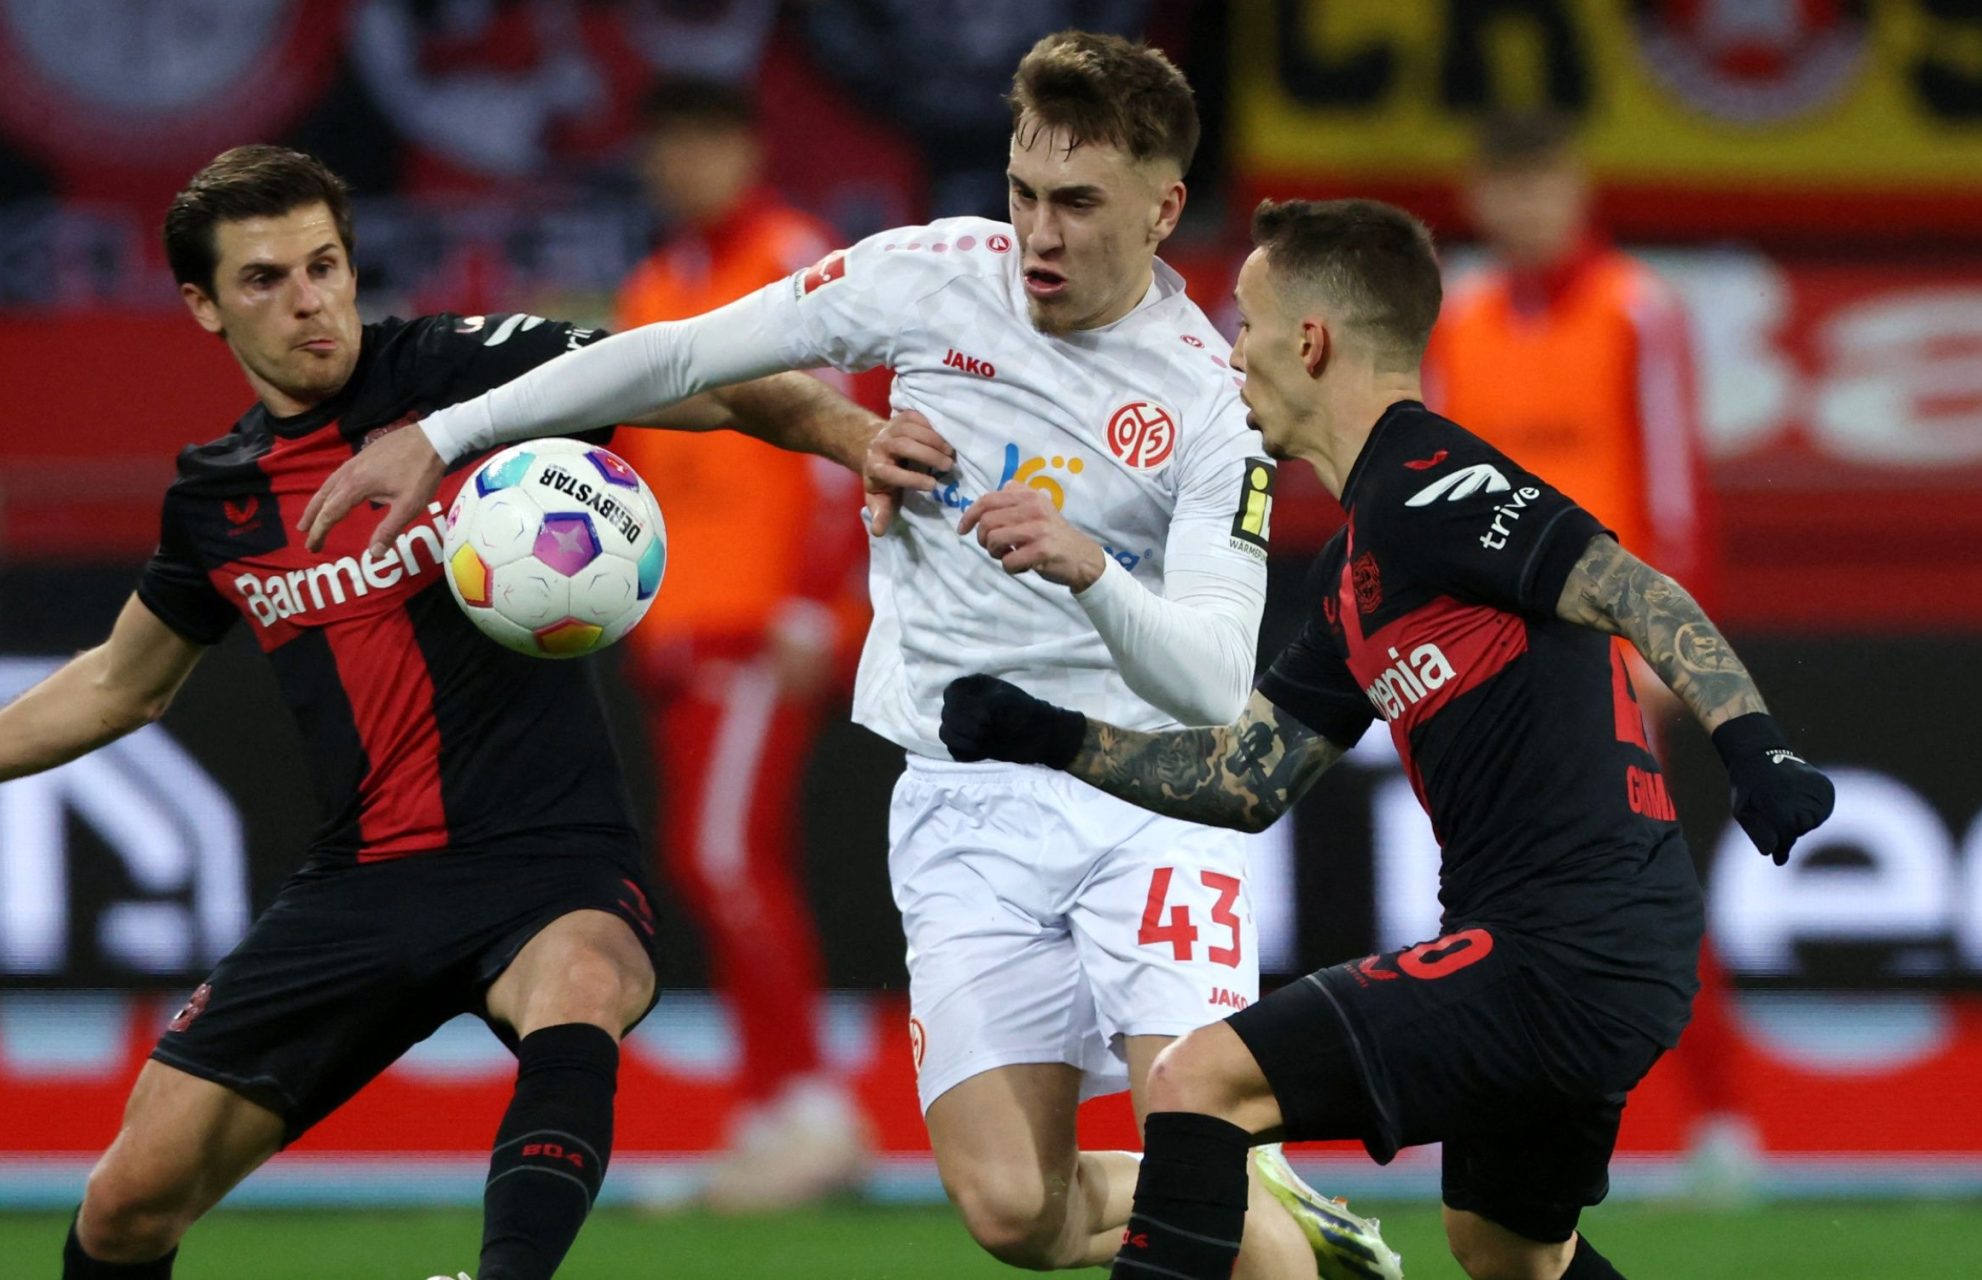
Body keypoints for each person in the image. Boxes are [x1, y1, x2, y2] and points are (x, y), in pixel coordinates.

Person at [304, 32, 1391, 1280]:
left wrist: (1088, 565)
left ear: (1162, 207)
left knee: (1191, 1145)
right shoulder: (930, 274)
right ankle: (1263, 1196)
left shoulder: (1210, 399)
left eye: (1079, 204)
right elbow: (678, 352)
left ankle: (1234, 1190)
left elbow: (1207, 677)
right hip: (960, 800)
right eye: (1023, 191)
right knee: (1015, 1212)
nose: (1038, 233)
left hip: (1143, 802)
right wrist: (446, 432)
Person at [0, 145, 878, 1280]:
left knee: (583, 986)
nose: (308, 300)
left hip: (548, 853)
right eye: (265, 279)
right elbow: (124, 681)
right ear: (205, 305)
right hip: (362, 882)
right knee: (125, 1205)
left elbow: (711, 376)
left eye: (324, 266)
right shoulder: (218, 495)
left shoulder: (474, 374)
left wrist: (862, 441)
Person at [936, 198, 1835, 1280]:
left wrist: (1756, 746)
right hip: (1595, 950)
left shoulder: (1434, 482)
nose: (1234, 353)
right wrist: (1051, 734)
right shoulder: (1359, 563)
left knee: (1197, 1081)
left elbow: (1636, 589)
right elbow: (1245, 778)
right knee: (1505, 1248)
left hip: (1563, 944)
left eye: (1250, 325)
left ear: (1310, 343)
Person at [1429, 112, 1760, 1198]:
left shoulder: (1635, 310)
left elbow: (1672, 488)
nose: (1525, 209)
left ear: (1576, 189)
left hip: (1607, 649)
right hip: (1489, 652)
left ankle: (1720, 1116)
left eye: (1542, 185)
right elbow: (1435, 490)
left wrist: (1669, 643)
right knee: (1483, 886)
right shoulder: (1461, 319)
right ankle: (1477, 1106)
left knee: (1642, 877)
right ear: (1479, 197)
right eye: (1507, 187)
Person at [609, 76, 877, 1210]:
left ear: (749, 147)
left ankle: (810, 1110)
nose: (684, 164)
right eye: (666, 144)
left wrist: (820, 603)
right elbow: (632, 470)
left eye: (704, 141)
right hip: (681, 627)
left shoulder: (793, 258)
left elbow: (844, 437)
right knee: (717, 860)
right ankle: (771, 1116)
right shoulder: (656, 284)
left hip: (767, 624)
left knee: (722, 857)